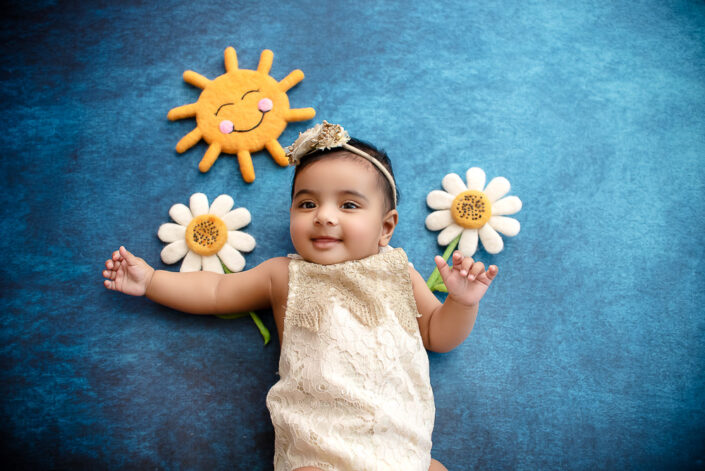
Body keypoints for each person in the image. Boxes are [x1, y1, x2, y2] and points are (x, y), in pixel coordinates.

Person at [103, 122, 498, 471]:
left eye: (348, 205)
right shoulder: (284, 274)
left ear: (385, 227)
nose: (323, 215)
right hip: (319, 450)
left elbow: (438, 335)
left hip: (402, 451)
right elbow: (216, 290)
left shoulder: (399, 272)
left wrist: (462, 303)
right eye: (307, 203)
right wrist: (152, 281)